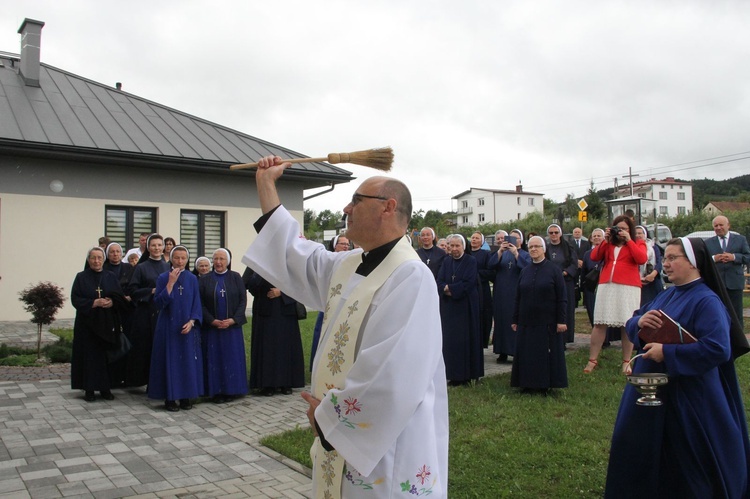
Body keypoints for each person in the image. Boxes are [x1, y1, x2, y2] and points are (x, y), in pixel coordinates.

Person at [242, 156, 448, 498]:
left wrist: (330, 417)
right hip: (340, 434)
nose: (346, 208)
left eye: (356, 200)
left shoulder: (410, 278)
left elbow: (393, 373)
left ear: (388, 207)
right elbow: (297, 256)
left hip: (385, 445)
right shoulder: (349, 264)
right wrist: (266, 184)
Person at [605, 237, 750, 498]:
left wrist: (668, 353)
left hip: (688, 399)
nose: (666, 265)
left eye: (673, 258)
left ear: (694, 263)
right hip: (651, 393)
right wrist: (638, 323)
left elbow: (718, 349)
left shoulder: (707, 301)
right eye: (666, 258)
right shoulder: (668, 294)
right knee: (641, 450)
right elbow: (635, 320)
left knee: (684, 462)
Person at [584, 216, 647, 375]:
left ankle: (626, 361)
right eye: (618, 228)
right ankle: (592, 359)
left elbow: (641, 258)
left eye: (625, 229)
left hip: (628, 286)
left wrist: (629, 240)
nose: (621, 231)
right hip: (607, 285)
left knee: (627, 324)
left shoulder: (638, 242)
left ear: (630, 230)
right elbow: (594, 257)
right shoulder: (609, 243)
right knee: (600, 322)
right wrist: (605, 240)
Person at [148, 246, 203, 411]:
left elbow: (196, 302)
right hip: (168, 327)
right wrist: (170, 283)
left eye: (183, 258)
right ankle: (170, 398)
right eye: (177, 258)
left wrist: (192, 321)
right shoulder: (163, 277)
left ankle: (186, 397)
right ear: (171, 259)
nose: (180, 261)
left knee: (186, 362)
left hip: (186, 326)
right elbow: (159, 302)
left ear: (187, 260)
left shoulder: (192, 279)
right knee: (170, 361)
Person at [510, 236, 567, 392]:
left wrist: (561, 320)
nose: (533, 249)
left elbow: (562, 297)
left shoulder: (554, 270)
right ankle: (526, 383)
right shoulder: (525, 270)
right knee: (527, 353)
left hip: (547, 321)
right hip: (526, 320)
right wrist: (515, 318)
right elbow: (518, 296)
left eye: (537, 246)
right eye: (531, 247)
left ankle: (544, 385)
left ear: (544, 249)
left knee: (544, 354)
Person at [70, 247, 126, 402]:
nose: (96, 261)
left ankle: (106, 388)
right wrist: (93, 302)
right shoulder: (81, 277)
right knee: (89, 357)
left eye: (99, 258)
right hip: (87, 324)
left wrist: (112, 302)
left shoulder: (110, 276)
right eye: (93, 258)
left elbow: (119, 297)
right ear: (88, 260)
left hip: (107, 323)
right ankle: (89, 389)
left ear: (103, 259)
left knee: (105, 358)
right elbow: (75, 298)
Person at [244, 268, 305, 396]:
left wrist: (282, 293)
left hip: (286, 312)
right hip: (265, 313)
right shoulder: (258, 262)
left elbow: (301, 286)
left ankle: (286, 383)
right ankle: (267, 384)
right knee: (267, 348)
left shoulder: (289, 261)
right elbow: (248, 284)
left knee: (285, 348)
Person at [199, 248, 248, 403]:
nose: (219, 262)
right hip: (213, 328)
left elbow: (242, 300)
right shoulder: (205, 279)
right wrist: (211, 320)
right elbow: (199, 303)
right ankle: (216, 391)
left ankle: (233, 390)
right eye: (216, 259)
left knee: (232, 358)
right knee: (215, 359)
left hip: (232, 328)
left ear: (228, 261)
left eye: (222, 259)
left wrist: (234, 320)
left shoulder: (236, 277)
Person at [437, 234, 483, 386]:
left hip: (465, 306)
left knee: (465, 340)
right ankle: (453, 375)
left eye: (458, 246)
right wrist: (446, 288)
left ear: (463, 246)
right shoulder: (446, 261)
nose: (454, 249)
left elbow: (469, 282)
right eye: (452, 246)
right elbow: (439, 280)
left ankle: (466, 376)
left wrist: (450, 289)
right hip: (449, 308)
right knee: (451, 341)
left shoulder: (471, 261)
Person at [126, 234, 170, 387]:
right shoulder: (141, 267)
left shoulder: (167, 266)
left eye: (159, 245)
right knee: (145, 348)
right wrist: (150, 291)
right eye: (153, 245)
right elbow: (132, 290)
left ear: (163, 247)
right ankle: (143, 380)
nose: (157, 248)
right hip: (146, 312)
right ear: (148, 247)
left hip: (163, 311)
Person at [309, 234, 351, 368]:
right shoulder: (328, 262)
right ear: (335, 246)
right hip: (328, 305)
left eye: (347, 244)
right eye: (342, 244)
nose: (346, 247)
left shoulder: (352, 261)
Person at [489, 229, 530, 363]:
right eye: (511, 238)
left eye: (516, 238)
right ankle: (502, 351)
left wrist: (516, 254)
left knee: (514, 322)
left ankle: (515, 351)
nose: (513, 240)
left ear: (521, 241)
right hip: (501, 293)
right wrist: (500, 251)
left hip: (516, 293)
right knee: (501, 322)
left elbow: (527, 268)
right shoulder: (502, 253)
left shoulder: (525, 254)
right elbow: (491, 265)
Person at [705, 215, 750, 328]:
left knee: (736, 314)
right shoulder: (708, 243)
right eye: (716, 226)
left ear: (728, 225)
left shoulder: (740, 240)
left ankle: (739, 342)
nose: (718, 228)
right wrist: (715, 258)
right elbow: (703, 260)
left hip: (734, 283)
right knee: (717, 313)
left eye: (721, 225)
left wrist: (734, 257)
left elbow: (748, 257)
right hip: (716, 283)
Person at [545, 224, 578, 344]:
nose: (553, 235)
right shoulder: (546, 248)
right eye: (551, 233)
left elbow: (574, 264)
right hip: (550, 283)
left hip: (565, 281)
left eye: (556, 232)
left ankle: (564, 338)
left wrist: (564, 273)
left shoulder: (568, 247)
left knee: (565, 309)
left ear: (560, 234)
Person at [468, 231, 494, 348]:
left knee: (483, 315)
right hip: (468, 288)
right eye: (472, 238)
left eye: (477, 238)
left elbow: (490, 272)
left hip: (482, 289)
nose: (474, 240)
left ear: (481, 241)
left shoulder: (486, 254)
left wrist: (474, 274)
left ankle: (482, 342)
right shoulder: (466, 253)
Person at [581, 228, 605, 327]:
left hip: (604, 284)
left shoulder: (607, 251)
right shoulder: (587, 254)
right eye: (594, 236)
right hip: (591, 286)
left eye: (599, 236)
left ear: (604, 238)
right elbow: (584, 271)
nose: (596, 238)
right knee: (592, 310)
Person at [635, 225, 663, 306]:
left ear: (645, 234)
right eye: (635, 233)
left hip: (653, 282)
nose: (637, 235)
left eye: (640, 233)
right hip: (638, 282)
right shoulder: (632, 247)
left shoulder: (653, 247)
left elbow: (659, 262)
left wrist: (652, 275)